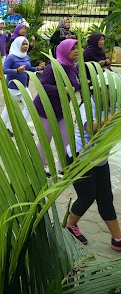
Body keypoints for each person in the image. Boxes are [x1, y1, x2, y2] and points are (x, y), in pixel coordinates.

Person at [64, 74, 121, 251]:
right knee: (87, 196)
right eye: (112, 88)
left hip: (100, 159)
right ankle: (69, 227)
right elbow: (92, 128)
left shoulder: (115, 104)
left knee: (106, 198)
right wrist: (116, 116)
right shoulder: (88, 106)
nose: (116, 92)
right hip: (80, 158)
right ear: (99, 89)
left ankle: (117, 238)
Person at [34, 39, 80, 176]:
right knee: (45, 139)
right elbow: (42, 85)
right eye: (72, 49)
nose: (76, 51)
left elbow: (74, 84)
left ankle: (63, 169)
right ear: (65, 51)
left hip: (62, 109)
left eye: (77, 48)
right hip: (46, 109)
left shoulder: (72, 66)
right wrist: (63, 89)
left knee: (67, 139)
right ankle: (39, 168)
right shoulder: (54, 66)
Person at [0, 36, 45, 136]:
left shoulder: (26, 57)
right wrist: (16, 71)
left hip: (23, 87)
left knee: (30, 106)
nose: (25, 46)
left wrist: (38, 68)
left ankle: (22, 127)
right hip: (12, 87)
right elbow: (4, 70)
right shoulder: (11, 57)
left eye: (26, 44)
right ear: (17, 45)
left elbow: (28, 69)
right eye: (23, 44)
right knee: (9, 108)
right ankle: (3, 127)